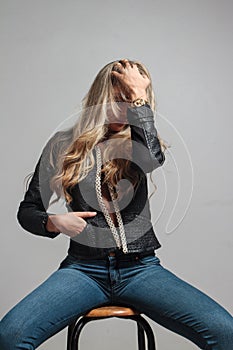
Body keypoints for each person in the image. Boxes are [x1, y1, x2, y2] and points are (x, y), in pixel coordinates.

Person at [0, 58, 232, 350]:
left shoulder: (140, 143)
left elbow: (151, 159)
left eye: (132, 100)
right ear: (100, 98)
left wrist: (139, 98)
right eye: (117, 99)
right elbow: (27, 211)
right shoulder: (62, 144)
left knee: (225, 332)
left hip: (141, 270)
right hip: (84, 271)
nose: (125, 108)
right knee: (10, 336)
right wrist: (52, 222)